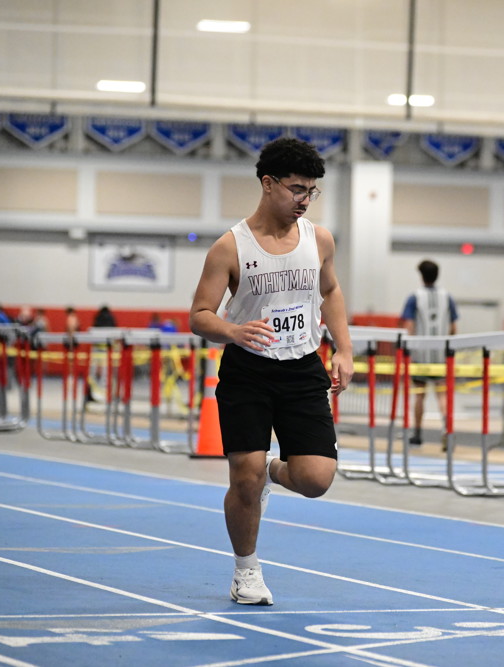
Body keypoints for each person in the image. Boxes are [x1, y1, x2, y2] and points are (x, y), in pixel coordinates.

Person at [189, 137, 353, 606]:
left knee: (316, 480)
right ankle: (246, 571)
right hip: (248, 371)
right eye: (297, 189)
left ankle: (272, 473)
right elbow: (199, 315)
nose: (305, 199)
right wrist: (233, 331)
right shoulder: (230, 247)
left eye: (312, 191)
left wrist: (344, 349)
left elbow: (331, 290)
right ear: (268, 183)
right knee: (243, 478)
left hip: (302, 368)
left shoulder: (319, 240)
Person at [399, 259, 458, 447]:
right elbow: (454, 327)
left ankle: (417, 434)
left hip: (421, 355)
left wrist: (410, 348)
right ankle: (447, 431)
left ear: (421, 276)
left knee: (419, 395)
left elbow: (409, 325)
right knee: (442, 395)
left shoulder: (414, 297)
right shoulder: (447, 297)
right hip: (441, 355)